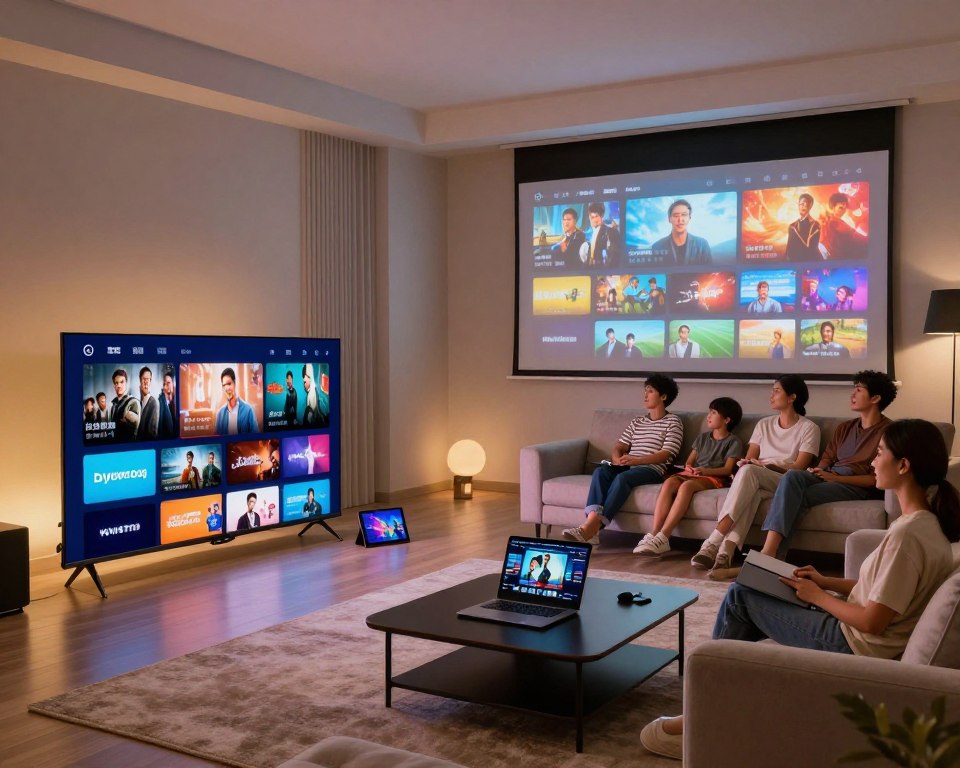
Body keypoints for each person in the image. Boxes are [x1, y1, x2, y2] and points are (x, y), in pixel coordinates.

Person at [640, 418, 960, 762]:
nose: (872, 462)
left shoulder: (907, 536)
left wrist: (818, 597)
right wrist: (825, 581)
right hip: (859, 633)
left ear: (904, 465)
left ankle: (700, 715)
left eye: (879, 453)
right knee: (761, 582)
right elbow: (884, 591)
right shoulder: (925, 526)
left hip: (855, 645)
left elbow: (873, 621)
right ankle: (727, 700)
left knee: (742, 597)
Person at [751, 370, 898, 564]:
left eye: (859, 390)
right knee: (793, 476)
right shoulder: (845, 427)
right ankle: (771, 555)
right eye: (853, 389)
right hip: (830, 476)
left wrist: (836, 478)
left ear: (876, 398)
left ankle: (771, 556)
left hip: (855, 486)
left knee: (796, 496)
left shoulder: (889, 432)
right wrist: (818, 471)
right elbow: (827, 460)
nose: (852, 395)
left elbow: (875, 480)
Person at [690, 375, 820, 576]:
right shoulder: (763, 424)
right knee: (753, 488)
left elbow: (799, 468)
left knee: (750, 472)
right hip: (757, 478)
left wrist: (765, 465)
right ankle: (726, 553)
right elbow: (749, 458)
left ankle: (714, 540)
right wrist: (749, 463)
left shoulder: (809, 428)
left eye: (777, 390)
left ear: (792, 397)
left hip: (785, 481)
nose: (772, 395)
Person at [562, 375, 683, 545]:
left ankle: (593, 527)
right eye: (645, 391)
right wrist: (617, 459)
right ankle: (591, 524)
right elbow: (619, 446)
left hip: (652, 470)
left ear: (663, 396)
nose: (645, 395)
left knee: (622, 478)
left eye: (650, 391)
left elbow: (667, 453)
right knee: (601, 471)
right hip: (629, 466)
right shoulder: (637, 422)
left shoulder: (673, 422)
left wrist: (636, 461)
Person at [634, 397, 744, 556]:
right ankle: (654, 533)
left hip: (713, 478)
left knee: (686, 486)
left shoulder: (734, 441)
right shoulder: (702, 438)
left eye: (713, 413)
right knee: (670, 482)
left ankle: (664, 537)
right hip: (694, 474)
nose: (709, 416)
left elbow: (727, 470)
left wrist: (703, 471)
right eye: (709, 412)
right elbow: (689, 462)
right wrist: (690, 468)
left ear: (726, 419)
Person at [650, 199, 712, 265]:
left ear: (689, 218)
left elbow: (710, 272)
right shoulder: (656, 247)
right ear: (669, 219)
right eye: (676, 216)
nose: (680, 220)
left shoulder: (702, 245)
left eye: (684, 215)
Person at [819, 192, 867, 260]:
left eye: (845, 206)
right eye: (841, 207)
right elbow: (855, 237)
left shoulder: (837, 221)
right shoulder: (833, 222)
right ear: (833, 207)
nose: (844, 208)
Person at [215, 367, 259, 434]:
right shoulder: (220, 414)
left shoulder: (248, 410)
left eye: (229, 384)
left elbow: (256, 438)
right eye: (224, 385)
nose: (227, 388)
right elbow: (217, 441)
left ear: (235, 383)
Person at [784, 193, 821, 261]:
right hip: (793, 264)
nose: (803, 206)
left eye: (805, 203)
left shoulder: (815, 225)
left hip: (810, 262)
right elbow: (789, 248)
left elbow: (810, 246)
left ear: (810, 206)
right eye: (801, 204)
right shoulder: (792, 226)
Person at [585, 202, 623, 267]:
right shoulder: (592, 233)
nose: (594, 220)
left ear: (601, 216)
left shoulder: (610, 231)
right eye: (592, 217)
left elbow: (614, 254)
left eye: (596, 216)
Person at [109, 368, 141, 441]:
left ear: (126, 382)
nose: (119, 385)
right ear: (114, 385)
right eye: (116, 383)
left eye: (122, 382)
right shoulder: (114, 405)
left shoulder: (133, 402)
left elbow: (133, 431)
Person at [136, 366, 159, 440]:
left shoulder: (153, 403)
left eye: (148, 379)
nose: (146, 382)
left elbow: (152, 434)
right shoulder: (139, 403)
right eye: (144, 379)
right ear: (140, 380)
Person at [157, 371, 177, 439]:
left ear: (173, 383)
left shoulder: (176, 400)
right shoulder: (161, 401)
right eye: (164, 384)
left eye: (168, 383)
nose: (165, 386)